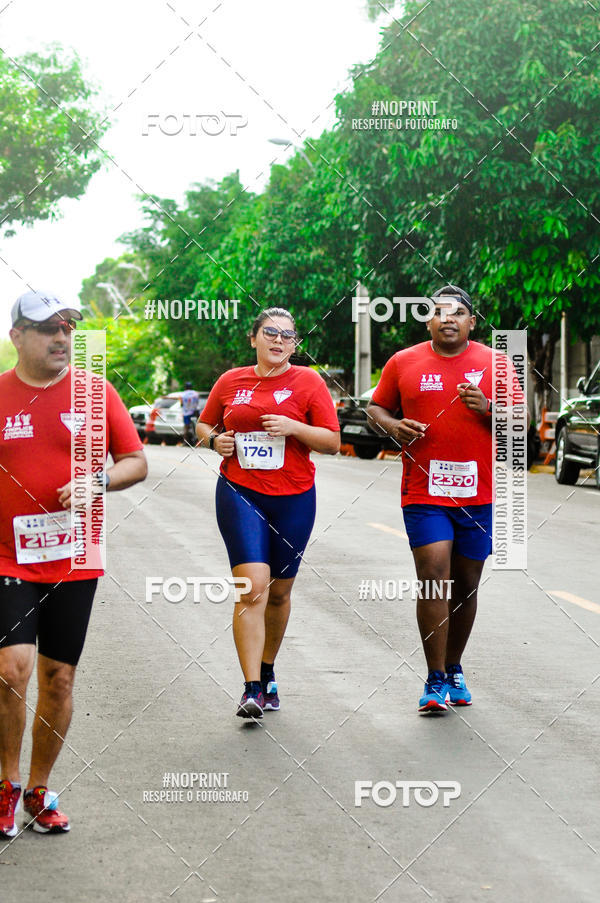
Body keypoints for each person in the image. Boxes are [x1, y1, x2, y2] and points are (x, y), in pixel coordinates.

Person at [0, 290, 147, 837]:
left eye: (68, 326)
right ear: (17, 336)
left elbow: (135, 461)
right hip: (7, 555)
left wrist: (98, 480)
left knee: (58, 679)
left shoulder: (94, 392)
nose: (62, 336)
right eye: (47, 327)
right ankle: (5, 786)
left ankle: (38, 790)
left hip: (75, 558)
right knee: (10, 671)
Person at [367, 285, 526, 714]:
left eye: (458, 313)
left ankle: (454, 667)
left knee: (466, 584)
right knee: (434, 571)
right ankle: (434, 678)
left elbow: (520, 423)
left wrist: (489, 408)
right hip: (424, 492)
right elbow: (376, 408)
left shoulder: (496, 363)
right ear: (428, 321)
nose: (448, 319)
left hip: (479, 495)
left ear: (472, 322)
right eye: (439, 312)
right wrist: (393, 426)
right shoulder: (404, 361)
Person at [197, 307, 340, 719]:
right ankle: (251, 688)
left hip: (295, 495)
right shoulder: (231, 381)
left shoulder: (308, 382)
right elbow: (204, 425)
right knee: (254, 587)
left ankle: (267, 668)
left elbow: (331, 441)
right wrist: (215, 442)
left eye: (288, 336)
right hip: (240, 491)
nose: (279, 341)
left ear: (295, 344)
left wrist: (294, 428)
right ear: (253, 338)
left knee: (279, 591)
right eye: (271, 333)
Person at [181, 381, 200, 446]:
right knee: (198, 425)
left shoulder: (183, 394)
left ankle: (185, 442)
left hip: (186, 413)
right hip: (195, 412)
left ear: (185, 387)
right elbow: (197, 403)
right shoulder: (196, 393)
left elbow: (181, 404)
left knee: (186, 427)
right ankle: (199, 441)